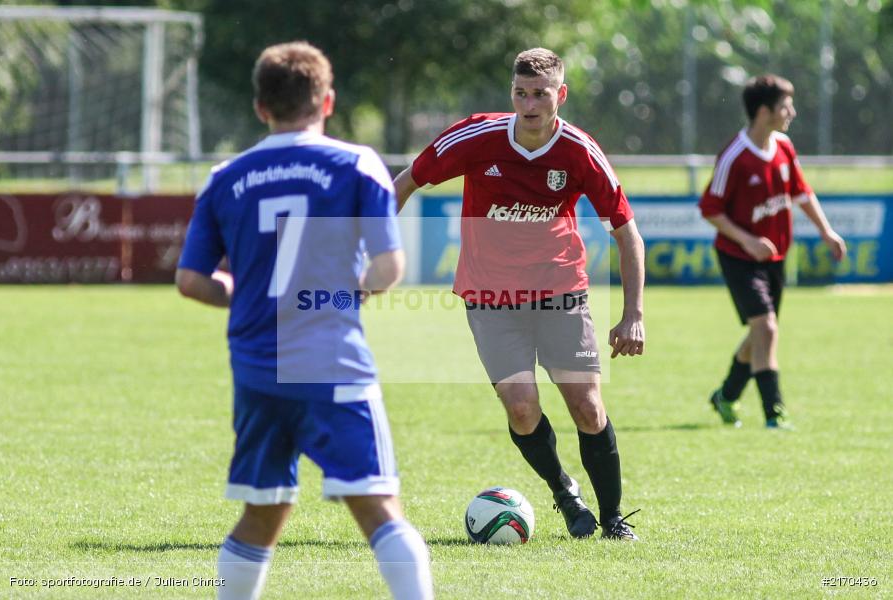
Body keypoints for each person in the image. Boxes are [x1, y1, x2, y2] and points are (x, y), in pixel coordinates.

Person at [176, 41, 433, 599]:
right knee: (378, 508)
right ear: (328, 101)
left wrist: (245, 298)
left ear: (260, 107)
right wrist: (351, 292)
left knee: (262, 514)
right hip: (331, 363)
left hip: (256, 371)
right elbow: (389, 268)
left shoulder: (225, 176)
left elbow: (190, 280)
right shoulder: (356, 163)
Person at [394, 48, 645, 540]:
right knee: (522, 408)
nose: (529, 104)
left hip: (560, 293)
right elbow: (405, 183)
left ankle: (614, 518)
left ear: (561, 96)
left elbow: (626, 232)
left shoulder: (579, 151)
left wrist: (632, 313)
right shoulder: (477, 136)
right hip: (490, 299)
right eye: (520, 93)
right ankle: (564, 492)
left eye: (540, 94)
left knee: (588, 408)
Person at [700, 74, 846, 430]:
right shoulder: (735, 155)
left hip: (776, 256)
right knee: (765, 327)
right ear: (764, 111)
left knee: (760, 333)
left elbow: (801, 192)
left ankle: (726, 396)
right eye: (785, 106)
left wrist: (826, 231)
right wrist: (746, 239)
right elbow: (710, 208)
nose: (791, 112)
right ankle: (773, 413)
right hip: (739, 257)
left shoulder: (783, 147)